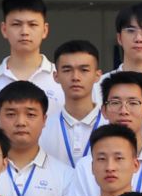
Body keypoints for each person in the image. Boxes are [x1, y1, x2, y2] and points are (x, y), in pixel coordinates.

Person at [39, 39, 106, 170]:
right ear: (56, 76)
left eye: (84, 70)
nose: (75, 77)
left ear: (97, 75)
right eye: (67, 70)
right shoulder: (43, 128)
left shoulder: (111, 124)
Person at [0, 0, 60, 105]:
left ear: (45, 30)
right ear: (4, 29)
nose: (24, 32)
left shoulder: (63, 79)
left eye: (32, 24)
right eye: (16, 24)